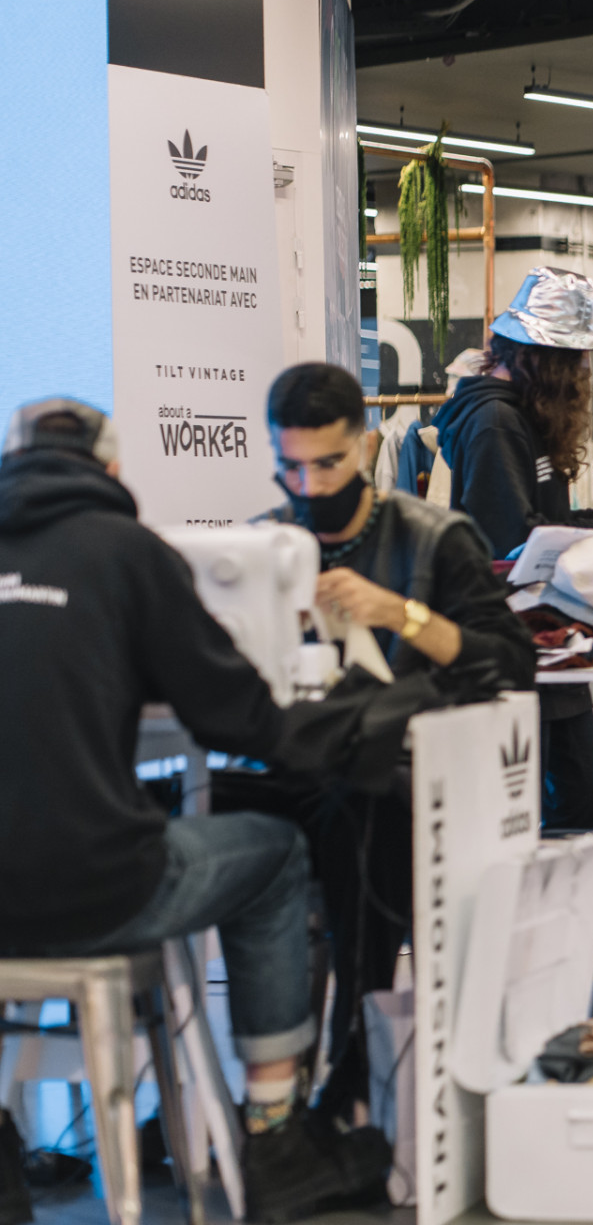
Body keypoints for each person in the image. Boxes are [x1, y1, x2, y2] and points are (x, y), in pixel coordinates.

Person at [0, 399, 388, 1223]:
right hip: (96, 893)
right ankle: (275, 1139)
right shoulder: (131, 553)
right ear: (112, 469)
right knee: (276, 854)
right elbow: (232, 716)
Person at [240, 362, 536, 1122]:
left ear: (366, 447)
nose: (308, 485)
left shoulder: (432, 540)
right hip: (300, 768)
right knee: (209, 811)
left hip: (407, 777)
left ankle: (350, 1066)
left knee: (361, 816)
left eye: (328, 464)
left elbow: (509, 662)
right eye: (291, 467)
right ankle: (261, 1085)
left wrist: (399, 614)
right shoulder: (265, 545)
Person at [432, 266, 593, 832]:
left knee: (575, 798)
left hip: (545, 638)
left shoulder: (518, 419)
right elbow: (512, 540)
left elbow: (539, 523)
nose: (583, 373)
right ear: (548, 360)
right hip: (514, 642)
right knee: (551, 806)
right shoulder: (494, 422)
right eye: (578, 360)